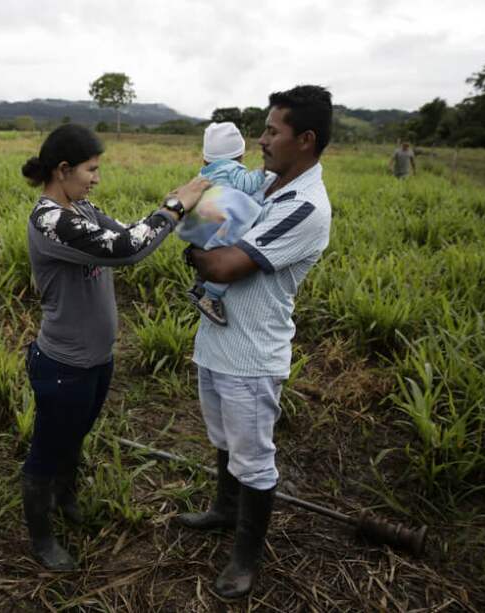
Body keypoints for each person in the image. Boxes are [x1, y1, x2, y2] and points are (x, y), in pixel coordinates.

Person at [21, 124, 209, 571]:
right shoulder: (50, 220)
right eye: (92, 169)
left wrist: (180, 211)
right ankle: (42, 537)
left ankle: (66, 499)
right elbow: (125, 249)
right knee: (48, 448)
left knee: (76, 436)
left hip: (97, 359)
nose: (96, 178)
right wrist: (174, 204)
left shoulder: (81, 207)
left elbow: (125, 233)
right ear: (63, 170)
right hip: (63, 363)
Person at [178, 85, 334, 599]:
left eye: (272, 130)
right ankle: (225, 510)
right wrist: (204, 238)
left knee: (254, 457)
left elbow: (223, 262)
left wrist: (198, 244)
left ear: (305, 139)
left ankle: (246, 558)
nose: (261, 140)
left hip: (251, 355)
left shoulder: (305, 205)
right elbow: (211, 238)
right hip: (216, 339)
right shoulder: (264, 182)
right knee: (223, 440)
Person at [178, 121, 267, 325]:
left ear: (205, 158)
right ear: (240, 155)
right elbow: (248, 185)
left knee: (206, 255)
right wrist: (263, 171)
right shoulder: (232, 170)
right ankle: (211, 295)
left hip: (202, 225)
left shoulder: (205, 172)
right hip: (222, 226)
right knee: (232, 255)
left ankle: (198, 287)